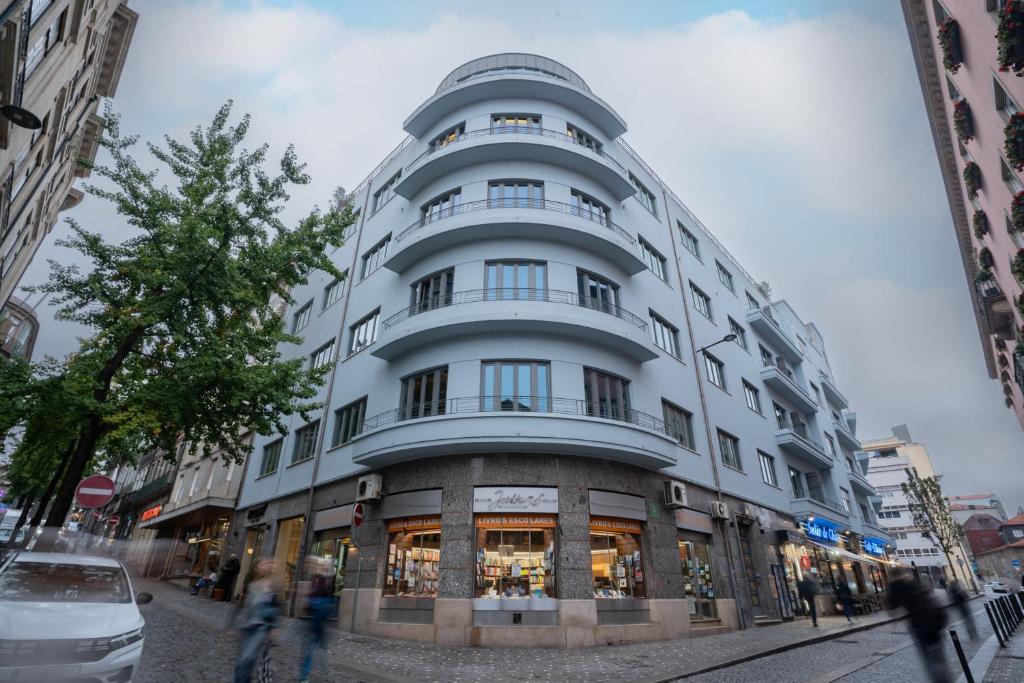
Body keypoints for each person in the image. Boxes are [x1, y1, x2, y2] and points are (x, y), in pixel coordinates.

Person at [888, 567, 951, 683]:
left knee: (931, 660)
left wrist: (893, 584)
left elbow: (891, 604)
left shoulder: (898, 586)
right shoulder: (913, 583)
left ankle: (941, 679)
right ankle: (945, 678)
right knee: (938, 656)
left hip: (920, 625)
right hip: (936, 621)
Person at [234, 559, 280, 683]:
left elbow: (274, 607)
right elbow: (242, 606)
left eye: (267, 564)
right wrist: (233, 624)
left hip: (261, 627)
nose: (266, 566)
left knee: (247, 658)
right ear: (256, 568)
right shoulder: (251, 584)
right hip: (247, 627)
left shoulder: (271, 586)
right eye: (263, 564)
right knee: (242, 661)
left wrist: (273, 627)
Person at [299, 557, 335, 683]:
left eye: (310, 564)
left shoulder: (323, 579)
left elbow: (323, 599)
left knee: (312, 645)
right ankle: (322, 670)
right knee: (316, 645)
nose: (308, 566)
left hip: (318, 617)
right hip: (316, 617)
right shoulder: (316, 579)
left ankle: (306, 675)